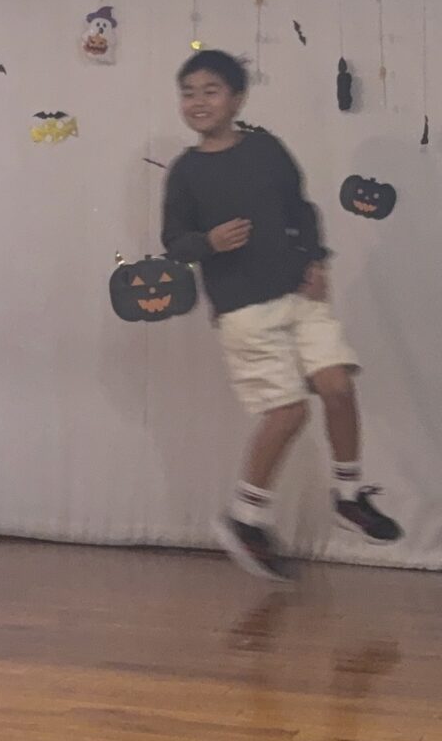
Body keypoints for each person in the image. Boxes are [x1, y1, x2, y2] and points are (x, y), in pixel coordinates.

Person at [159, 51, 401, 582]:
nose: (198, 102)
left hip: (299, 295)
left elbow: (301, 208)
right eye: (188, 92)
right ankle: (246, 518)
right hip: (243, 309)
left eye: (210, 91)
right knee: (288, 413)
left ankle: (349, 494)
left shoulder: (267, 149)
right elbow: (174, 243)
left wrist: (316, 259)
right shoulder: (186, 172)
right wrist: (209, 242)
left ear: (237, 99)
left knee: (338, 386)